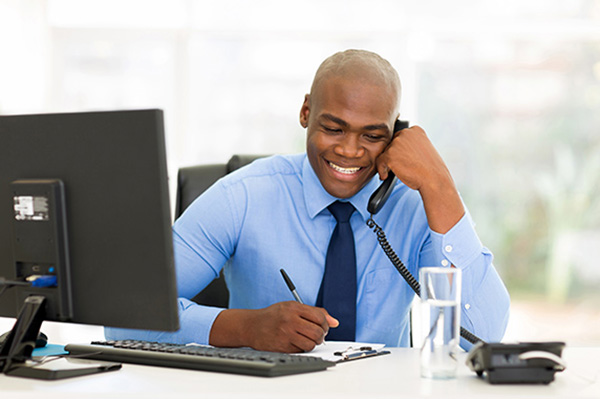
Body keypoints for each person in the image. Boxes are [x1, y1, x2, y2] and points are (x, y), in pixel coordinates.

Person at [106, 49, 510, 352]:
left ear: (395, 132)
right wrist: (244, 328)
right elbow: (125, 318)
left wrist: (440, 186)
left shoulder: (417, 204)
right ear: (305, 112)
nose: (350, 151)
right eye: (334, 128)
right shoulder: (242, 196)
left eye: (372, 136)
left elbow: (483, 338)